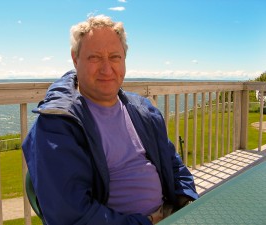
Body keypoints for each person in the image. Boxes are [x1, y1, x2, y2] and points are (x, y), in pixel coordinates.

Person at [22, 15, 199, 225]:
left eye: (115, 57)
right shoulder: (58, 124)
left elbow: (173, 163)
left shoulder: (142, 110)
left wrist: (186, 201)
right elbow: (71, 215)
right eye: (95, 57)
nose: (107, 69)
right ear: (75, 59)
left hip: (168, 214)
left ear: (124, 59)